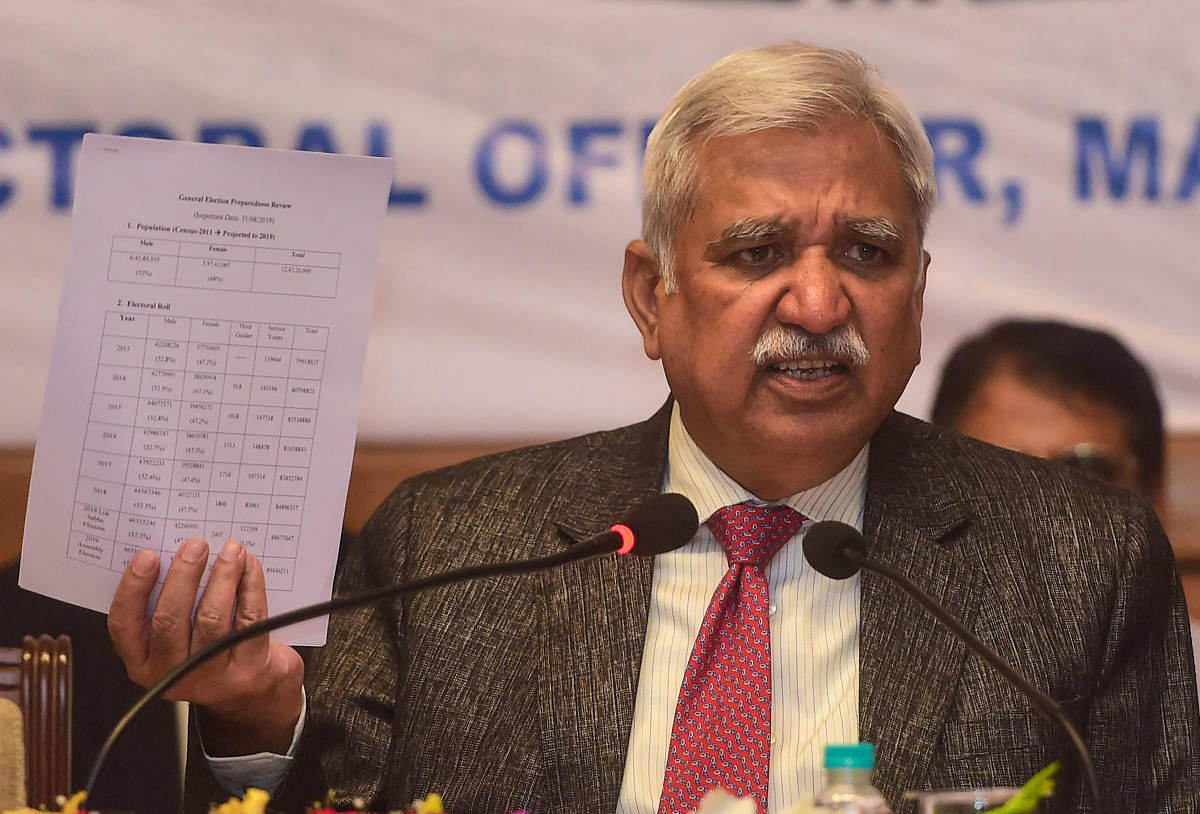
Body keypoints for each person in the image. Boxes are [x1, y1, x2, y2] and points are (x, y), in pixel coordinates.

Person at [107, 44, 1199, 814]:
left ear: (918, 289)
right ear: (651, 294)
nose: (819, 306)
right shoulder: (448, 550)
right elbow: (324, 798)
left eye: (865, 253)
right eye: (758, 252)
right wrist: (255, 716)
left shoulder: (1076, 563)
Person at [929, 319, 1200, 687]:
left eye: (1084, 471)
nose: (1046, 510)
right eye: (999, 470)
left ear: (1154, 498)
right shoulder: (867, 681)